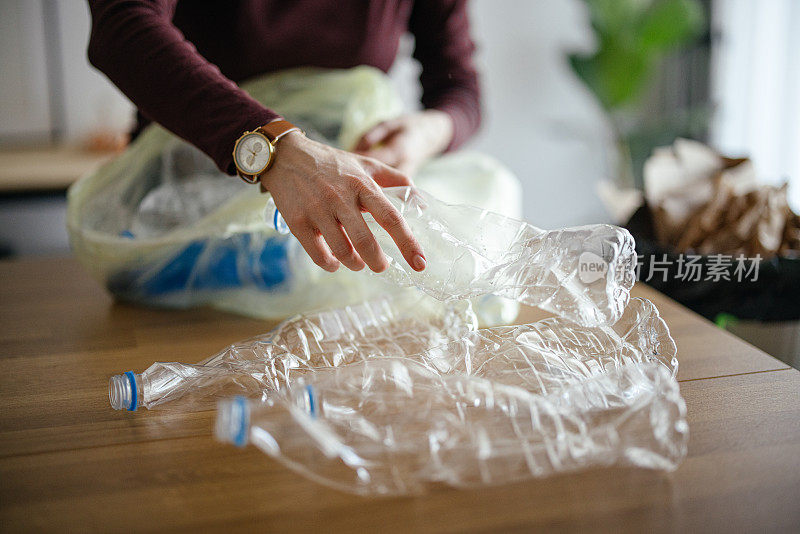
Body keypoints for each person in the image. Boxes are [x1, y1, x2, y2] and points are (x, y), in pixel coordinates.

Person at [87, 1, 481, 275]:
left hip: (349, 194)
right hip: (185, 204)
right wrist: (272, 149)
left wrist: (427, 132)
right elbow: (123, 24)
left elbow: (460, 88)